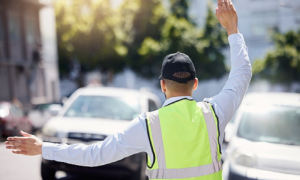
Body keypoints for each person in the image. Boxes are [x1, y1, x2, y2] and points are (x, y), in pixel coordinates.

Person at [5, 0, 251, 179]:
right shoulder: (215, 114)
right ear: (194, 84)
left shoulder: (148, 125)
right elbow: (242, 74)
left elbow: (95, 155)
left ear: (162, 85)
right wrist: (232, 30)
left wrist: (43, 148)